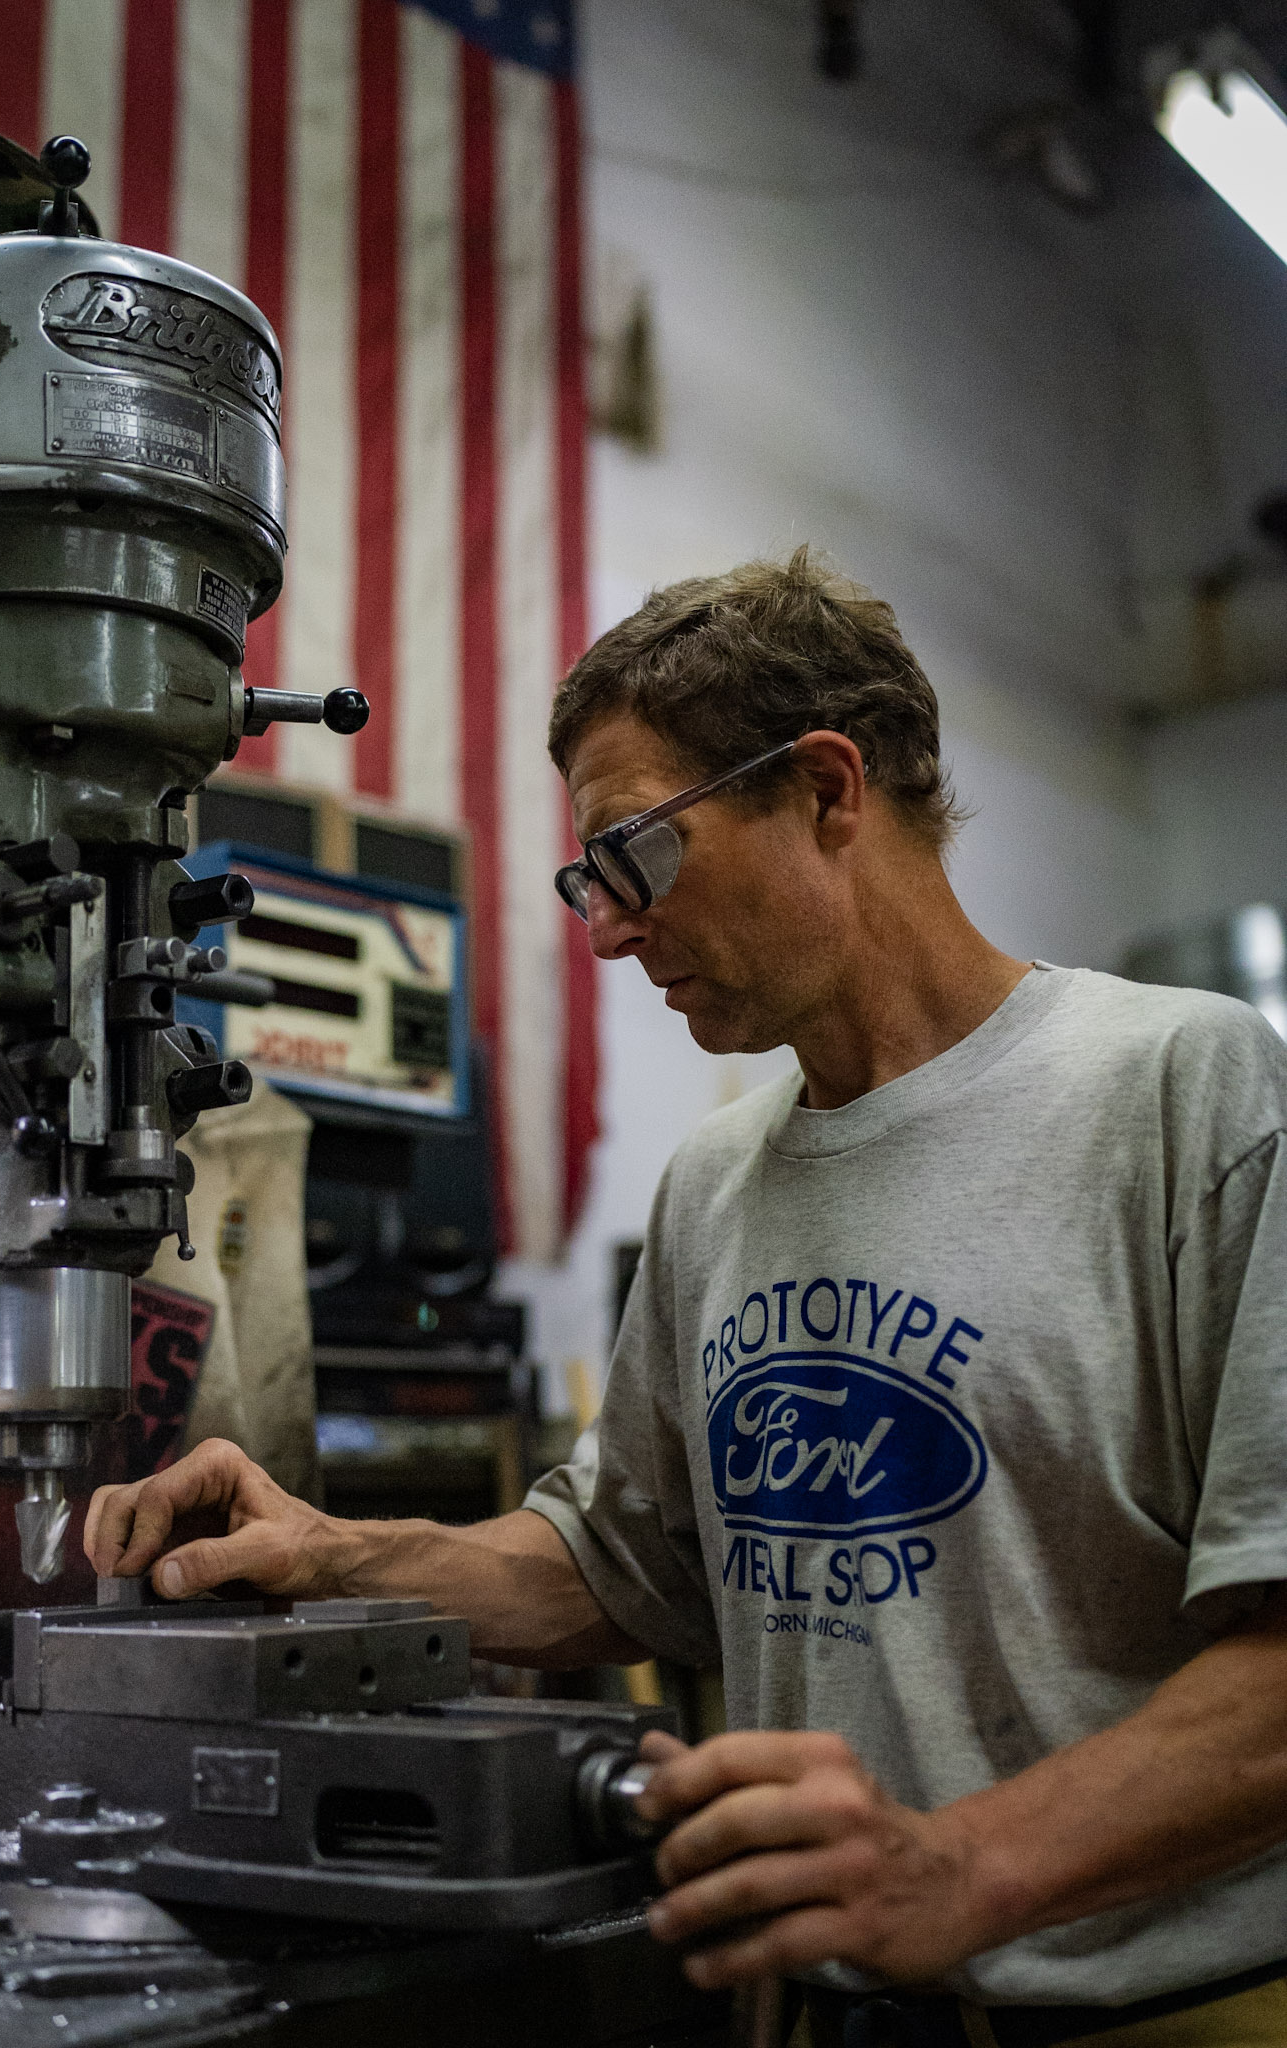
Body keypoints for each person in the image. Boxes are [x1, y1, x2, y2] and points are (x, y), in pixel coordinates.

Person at [87, 550, 1287, 2044]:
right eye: (586, 882)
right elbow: (621, 1570)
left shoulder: (1185, 1088)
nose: (602, 932)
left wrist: (960, 1862)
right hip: (830, 2003)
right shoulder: (717, 1184)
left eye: (633, 856)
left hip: (1159, 2008)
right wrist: (332, 1555)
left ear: (828, 790)